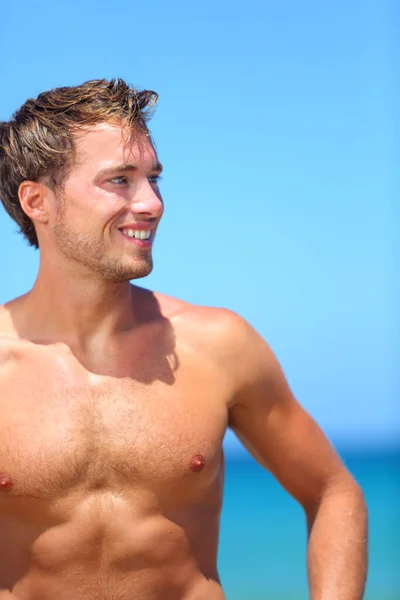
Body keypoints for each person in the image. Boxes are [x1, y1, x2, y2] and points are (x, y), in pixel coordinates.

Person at [0, 78, 367, 600]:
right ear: (39, 201)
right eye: (120, 180)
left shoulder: (217, 346)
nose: (151, 203)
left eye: (154, 179)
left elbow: (333, 492)